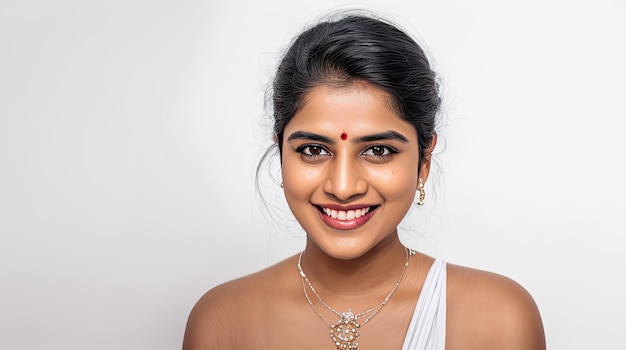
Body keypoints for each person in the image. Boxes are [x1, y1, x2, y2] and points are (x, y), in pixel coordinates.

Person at [183, 12, 546, 350]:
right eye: (313, 149)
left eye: (377, 151)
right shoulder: (223, 320)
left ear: (424, 160)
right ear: (281, 155)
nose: (343, 187)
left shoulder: (499, 319)